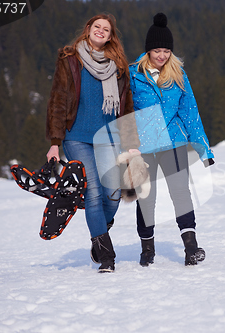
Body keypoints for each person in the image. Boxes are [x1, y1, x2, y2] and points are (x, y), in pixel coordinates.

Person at [45, 13, 140, 273]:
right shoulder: (70, 60)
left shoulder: (118, 66)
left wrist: (131, 142)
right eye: (96, 26)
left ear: (111, 36)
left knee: (112, 196)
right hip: (77, 137)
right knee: (95, 192)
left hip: (110, 138)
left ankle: (98, 234)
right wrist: (55, 142)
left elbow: (127, 107)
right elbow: (57, 101)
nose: (100, 31)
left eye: (105, 29)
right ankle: (106, 256)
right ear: (88, 29)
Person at [129, 13, 215, 267]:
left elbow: (190, 113)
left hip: (173, 142)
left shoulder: (178, 75)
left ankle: (191, 247)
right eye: (157, 50)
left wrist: (204, 150)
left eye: (166, 50)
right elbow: (124, 112)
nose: (162, 55)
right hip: (143, 146)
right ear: (148, 51)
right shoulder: (133, 76)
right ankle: (147, 248)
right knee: (147, 197)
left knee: (181, 193)